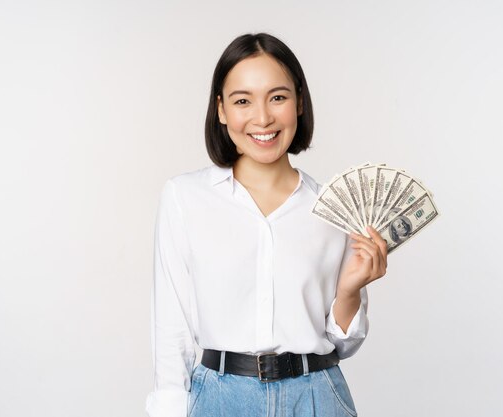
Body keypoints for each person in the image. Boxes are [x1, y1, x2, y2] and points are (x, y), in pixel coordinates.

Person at [145, 32, 389, 417]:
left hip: (317, 396)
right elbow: (171, 331)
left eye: (278, 97)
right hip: (220, 400)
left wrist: (350, 292)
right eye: (243, 101)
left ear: (300, 103)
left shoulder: (333, 208)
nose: (263, 118)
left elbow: (343, 344)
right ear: (222, 109)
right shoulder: (184, 197)